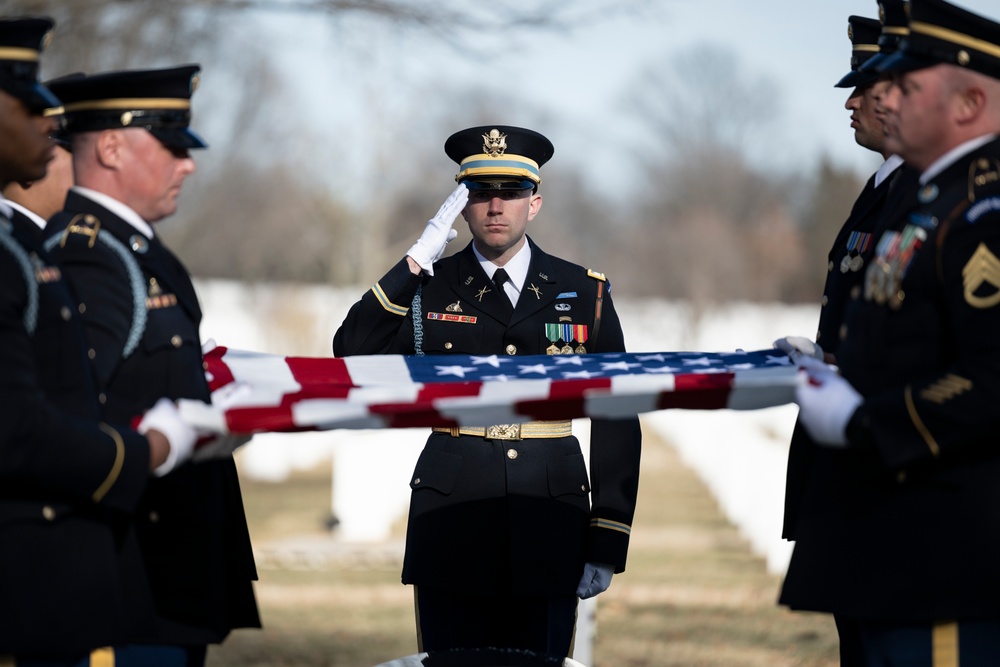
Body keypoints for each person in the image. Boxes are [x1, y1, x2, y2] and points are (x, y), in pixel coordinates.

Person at [333, 125, 642, 659]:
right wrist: (414, 260)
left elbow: (616, 412)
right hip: (453, 512)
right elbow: (352, 351)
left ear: (535, 202)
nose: (496, 206)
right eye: (480, 193)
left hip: (551, 516)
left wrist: (608, 536)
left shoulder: (583, 292)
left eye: (511, 192)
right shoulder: (432, 283)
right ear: (462, 204)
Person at [782, 0, 1000, 662]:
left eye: (905, 85)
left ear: (967, 104)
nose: (883, 100)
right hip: (892, 539)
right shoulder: (929, 202)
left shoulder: (981, 212)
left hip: (945, 550)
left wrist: (861, 421)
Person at [44, 67, 260, 666]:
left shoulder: (134, 250)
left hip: (164, 574)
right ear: (110, 147)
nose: (187, 165)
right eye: (170, 147)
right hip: (126, 576)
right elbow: (71, 425)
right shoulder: (90, 258)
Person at [0, 16, 198, 665]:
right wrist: (150, 449)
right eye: (28, 100)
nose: (49, 121)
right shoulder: (80, 255)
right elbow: (28, 423)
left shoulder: (31, 248)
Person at [774, 6, 913, 665]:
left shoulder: (927, 195)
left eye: (867, 86)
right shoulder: (882, 189)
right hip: (855, 480)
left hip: (893, 484)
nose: (851, 103)